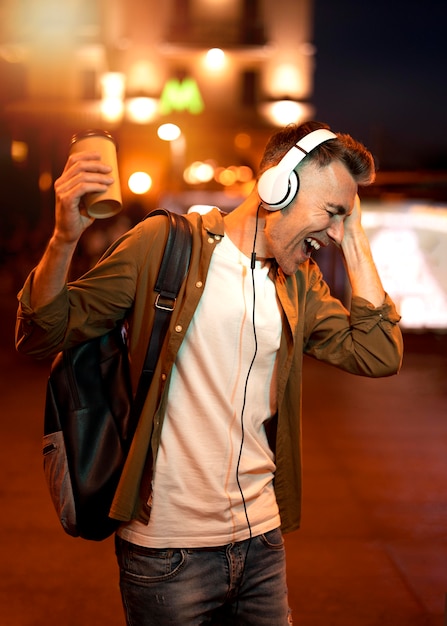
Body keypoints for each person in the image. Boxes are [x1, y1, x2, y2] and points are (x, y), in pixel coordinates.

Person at [15, 120, 403, 625]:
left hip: (263, 543)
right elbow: (42, 332)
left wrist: (354, 238)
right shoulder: (163, 243)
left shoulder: (299, 283)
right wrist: (65, 239)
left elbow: (377, 352)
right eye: (331, 212)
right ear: (277, 186)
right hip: (167, 553)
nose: (333, 231)